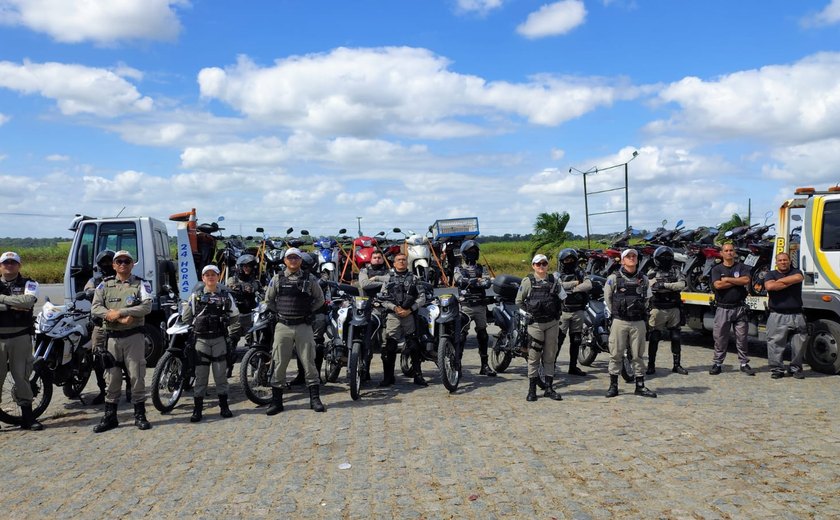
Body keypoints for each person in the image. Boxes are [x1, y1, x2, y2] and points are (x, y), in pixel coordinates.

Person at [90, 250, 153, 432]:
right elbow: (96, 308)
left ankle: (139, 415)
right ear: (114, 265)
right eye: (119, 261)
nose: (123, 264)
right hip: (112, 337)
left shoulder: (141, 284)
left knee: (136, 376)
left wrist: (122, 312)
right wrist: (115, 317)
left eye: (127, 261)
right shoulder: (104, 285)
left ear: (132, 264)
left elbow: (146, 306)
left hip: (134, 337)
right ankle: (110, 417)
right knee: (112, 378)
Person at [263, 247, 326, 414]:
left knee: (309, 362)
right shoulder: (277, 279)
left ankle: (314, 399)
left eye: (296, 258)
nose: (293, 261)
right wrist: (280, 312)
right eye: (290, 258)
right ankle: (277, 402)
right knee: (279, 363)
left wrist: (308, 311)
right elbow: (268, 300)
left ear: (300, 261)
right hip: (283, 326)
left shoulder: (309, 278)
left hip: (303, 326)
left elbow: (320, 299)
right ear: (285, 260)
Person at [182, 265, 240, 422]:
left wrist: (226, 322)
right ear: (203, 278)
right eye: (207, 275)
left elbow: (235, 315)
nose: (210, 277)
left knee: (220, 374)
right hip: (201, 340)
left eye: (213, 274)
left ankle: (224, 407)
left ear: (218, 277)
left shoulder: (226, 296)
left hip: (219, 339)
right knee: (201, 376)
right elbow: (186, 317)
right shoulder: (195, 297)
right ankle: (197, 410)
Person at [603, 248, 656, 398]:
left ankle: (640, 385)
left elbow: (647, 299)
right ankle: (613, 386)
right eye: (628, 256)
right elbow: (608, 298)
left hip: (638, 322)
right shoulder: (613, 278)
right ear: (623, 260)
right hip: (620, 321)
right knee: (616, 354)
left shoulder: (644, 279)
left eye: (634, 256)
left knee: (638, 355)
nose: (632, 258)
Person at [0, 251, 43, 430]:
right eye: (6, 262)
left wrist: (2, 300)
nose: (9, 265)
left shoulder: (29, 283)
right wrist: (14, 305)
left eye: (13, 262)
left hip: (21, 336)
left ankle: (28, 418)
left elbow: (28, 301)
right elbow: (21, 304)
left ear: (19, 265)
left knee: (22, 376)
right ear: (0, 265)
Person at [84, 249, 132, 405]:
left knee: (124, 359)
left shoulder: (124, 279)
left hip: (119, 325)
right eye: (103, 262)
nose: (105, 265)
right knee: (98, 359)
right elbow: (88, 291)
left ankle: (130, 387)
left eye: (108, 261)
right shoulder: (96, 280)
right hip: (99, 326)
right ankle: (103, 390)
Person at [515, 254, 563, 402]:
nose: (541, 267)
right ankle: (532, 389)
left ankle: (549, 388)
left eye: (544, 264)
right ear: (533, 266)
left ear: (548, 265)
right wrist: (526, 314)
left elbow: (563, 298)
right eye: (538, 264)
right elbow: (518, 301)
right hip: (535, 324)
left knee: (550, 356)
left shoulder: (554, 281)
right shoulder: (528, 281)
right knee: (533, 356)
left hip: (552, 323)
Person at [377, 253, 427, 387]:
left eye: (404, 260)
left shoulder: (415, 279)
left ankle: (418, 375)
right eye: (398, 260)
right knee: (389, 347)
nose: (401, 262)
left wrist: (411, 309)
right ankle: (388, 377)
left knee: (414, 346)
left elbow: (422, 298)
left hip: (409, 315)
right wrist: (394, 308)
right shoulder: (388, 279)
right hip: (393, 315)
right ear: (394, 263)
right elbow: (382, 298)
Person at [709, 242, 754, 376]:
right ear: (721, 253)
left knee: (742, 338)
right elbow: (717, 285)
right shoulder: (716, 269)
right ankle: (717, 363)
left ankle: (744, 363)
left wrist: (727, 279)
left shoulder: (742, 267)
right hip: (723, 308)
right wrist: (736, 281)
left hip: (739, 308)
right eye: (726, 250)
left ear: (734, 253)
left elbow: (746, 280)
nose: (729, 252)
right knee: (720, 338)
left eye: (731, 250)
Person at [453, 240, 495, 376]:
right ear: (464, 254)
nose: (473, 254)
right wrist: (476, 281)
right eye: (470, 252)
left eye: (475, 251)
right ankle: (457, 366)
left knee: (483, 335)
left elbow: (487, 282)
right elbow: (459, 281)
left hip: (480, 305)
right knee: (461, 336)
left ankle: (485, 365)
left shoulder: (481, 268)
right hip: (465, 306)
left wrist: (472, 282)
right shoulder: (458, 268)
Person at [646, 246, 689, 375]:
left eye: (667, 257)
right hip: (657, 308)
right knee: (654, 337)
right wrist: (671, 286)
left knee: (676, 337)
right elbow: (652, 286)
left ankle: (677, 365)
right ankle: (651, 365)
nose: (665, 260)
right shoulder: (652, 272)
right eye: (663, 257)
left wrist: (664, 285)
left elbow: (682, 285)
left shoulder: (675, 270)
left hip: (673, 307)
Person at [764, 252, 807, 379]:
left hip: (797, 315)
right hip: (777, 315)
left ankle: (796, 369)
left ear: (789, 261)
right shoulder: (770, 274)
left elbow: (798, 278)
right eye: (780, 260)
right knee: (775, 344)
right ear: (776, 262)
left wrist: (779, 283)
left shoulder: (797, 271)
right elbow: (770, 286)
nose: (783, 262)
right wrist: (788, 282)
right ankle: (777, 369)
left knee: (799, 344)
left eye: (785, 260)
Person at [554, 248, 592, 377]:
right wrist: (575, 283)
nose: (568, 261)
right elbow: (558, 286)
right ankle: (551, 365)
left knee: (576, 340)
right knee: (558, 340)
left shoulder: (580, 272)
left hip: (578, 311)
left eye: (571, 259)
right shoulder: (557, 274)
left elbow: (588, 285)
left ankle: (573, 367)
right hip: (563, 312)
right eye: (566, 259)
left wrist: (573, 289)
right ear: (562, 261)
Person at [225, 254, 262, 377]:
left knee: (253, 344)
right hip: (235, 316)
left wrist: (253, 289)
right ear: (240, 267)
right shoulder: (232, 280)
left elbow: (259, 289)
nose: (247, 269)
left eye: (250, 266)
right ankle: (228, 368)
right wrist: (239, 288)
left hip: (250, 315)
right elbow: (227, 289)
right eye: (245, 266)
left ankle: (255, 370)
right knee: (230, 343)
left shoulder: (254, 281)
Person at [358, 250, 389, 381]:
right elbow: (364, 284)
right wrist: (384, 283)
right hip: (369, 310)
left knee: (386, 344)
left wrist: (376, 279)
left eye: (379, 257)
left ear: (383, 259)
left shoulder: (389, 271)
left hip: (385, 310)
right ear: (370, 259)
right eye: (374, 257)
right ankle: (365, 373)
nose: (377, 259)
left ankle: (388, 376)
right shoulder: (364, 271)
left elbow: (391, 280)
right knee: (367, 344)